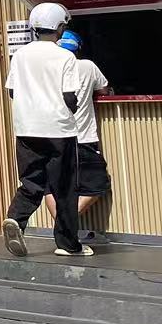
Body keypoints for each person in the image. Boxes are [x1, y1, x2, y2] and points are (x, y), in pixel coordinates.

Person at [3, 1, 85, 258]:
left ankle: (16, 218)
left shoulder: (20, 55)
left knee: (31, 182)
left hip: (26, 129)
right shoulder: (65, 56)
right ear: (59, 27)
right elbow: (69, 96)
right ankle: (68, 244)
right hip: (59, 130)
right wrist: (71, 109)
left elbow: (12, 91)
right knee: (64, 187)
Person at [48, 30, 112, 245]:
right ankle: (65, 223)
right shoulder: (87, 66)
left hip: (51, 137)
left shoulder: (49, 69)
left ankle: (62, 226)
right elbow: (104, 90)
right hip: (82, 138)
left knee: (51, 185)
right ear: (78, 50)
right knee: (97, 184)